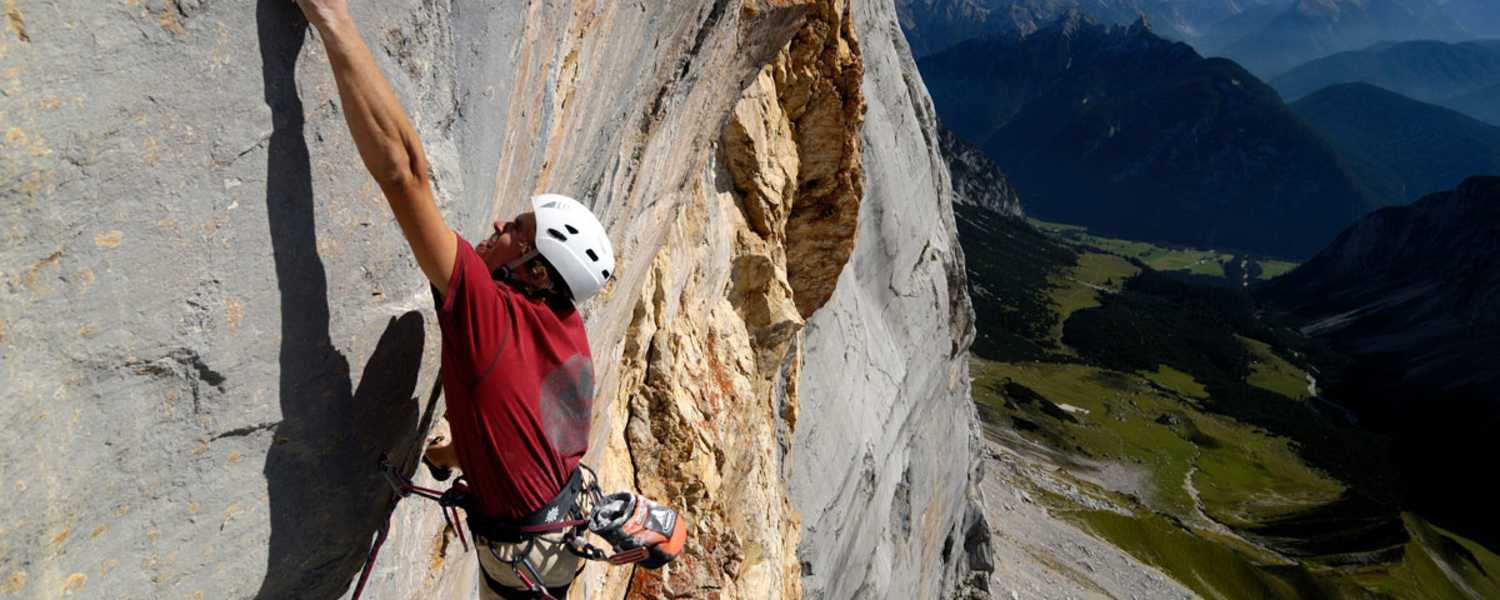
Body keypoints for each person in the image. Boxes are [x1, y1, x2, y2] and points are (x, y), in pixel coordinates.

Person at [290, 1, 615, 598]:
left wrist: (333, 20)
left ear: (537, 273)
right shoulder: (564, 326)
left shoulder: (489, 316)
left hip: (526, 562)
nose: (499, 226)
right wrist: (453, 451)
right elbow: (519, 421)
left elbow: (405, 174)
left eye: (518, 230)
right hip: (551, 544)